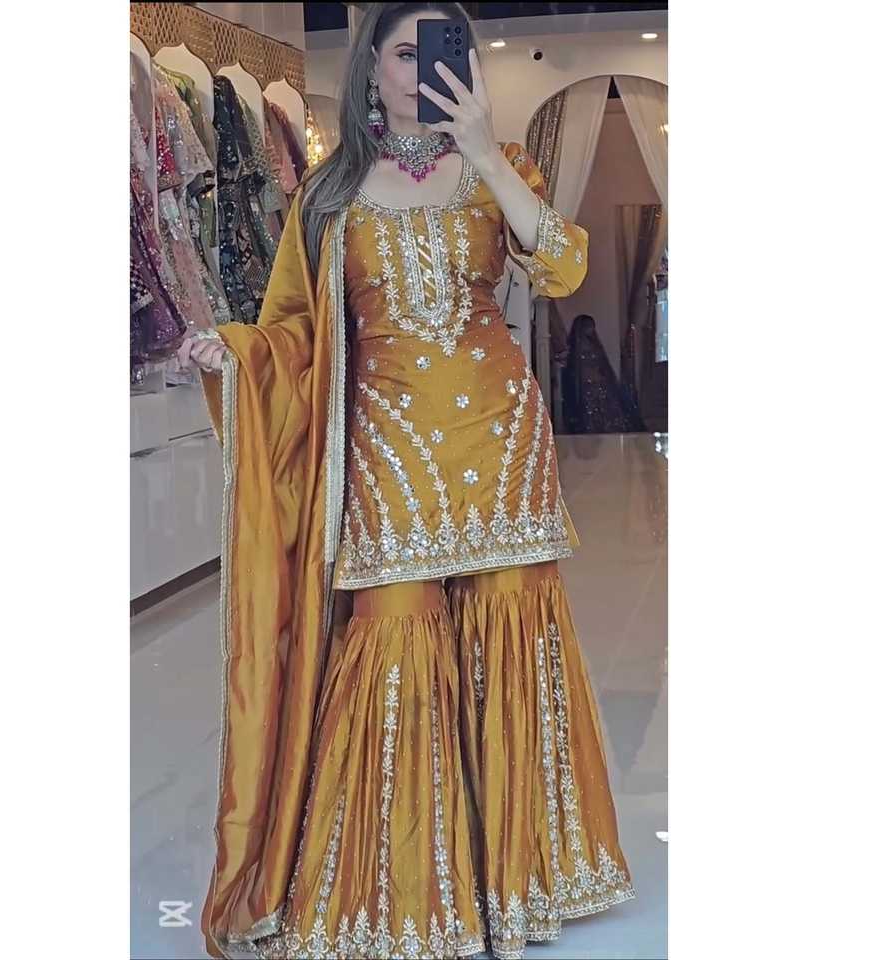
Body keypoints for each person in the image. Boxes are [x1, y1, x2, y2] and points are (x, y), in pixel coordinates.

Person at [176, 4, 635, 958]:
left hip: (499, 441)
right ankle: (403, 887)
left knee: (508, 621)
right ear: (371, 71)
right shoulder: (329, 195)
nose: (425, 69)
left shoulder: (503, 167)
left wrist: (488, 154)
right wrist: (239, 352)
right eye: (406, 52)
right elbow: (297, 329)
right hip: (387, 452)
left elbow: (561, 267)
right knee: (394, 631)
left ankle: (517, 880)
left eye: (443, 51)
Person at [561, 314, 647, 434]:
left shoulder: (594, 344)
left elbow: (602, 364)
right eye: (588, 326)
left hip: (600, 384)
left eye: (592, 326)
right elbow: (575, 370)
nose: (591, 329)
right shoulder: (575, 348)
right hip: (586, 387)